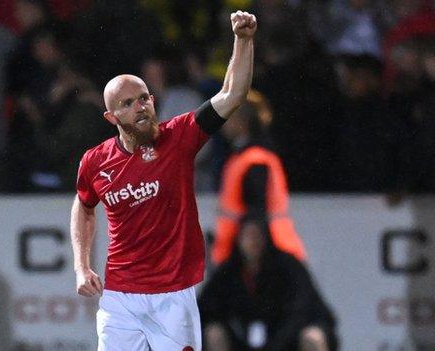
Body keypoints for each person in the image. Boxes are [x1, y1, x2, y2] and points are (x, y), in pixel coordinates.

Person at [70, 10, 257, 350]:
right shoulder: (95, 162)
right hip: (120, 297)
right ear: (112, 117)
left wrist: (242, 40)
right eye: (127, 104)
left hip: (173, 295)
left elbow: (232, 94)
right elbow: (83, 206)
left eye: (143, 98)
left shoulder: (180, 136)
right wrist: (81, 266)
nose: (139, 107)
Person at [199, 213, 337, 351]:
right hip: (242, 341)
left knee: (312, 337)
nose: (253, 242)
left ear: (266, 238)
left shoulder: (289, 267)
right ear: (239, 239)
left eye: (257, 235)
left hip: (289, 338)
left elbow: (300, 310)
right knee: (214, 334)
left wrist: (276, 344)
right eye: (248, 236)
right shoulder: (229, 271)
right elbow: (207, 306)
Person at [211, 90, 307, 265]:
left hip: (264, 257)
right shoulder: (250, 157)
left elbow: (256, 214)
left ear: (242, 120)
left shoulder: (254, 159)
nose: (224, 123)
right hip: (266, 252)